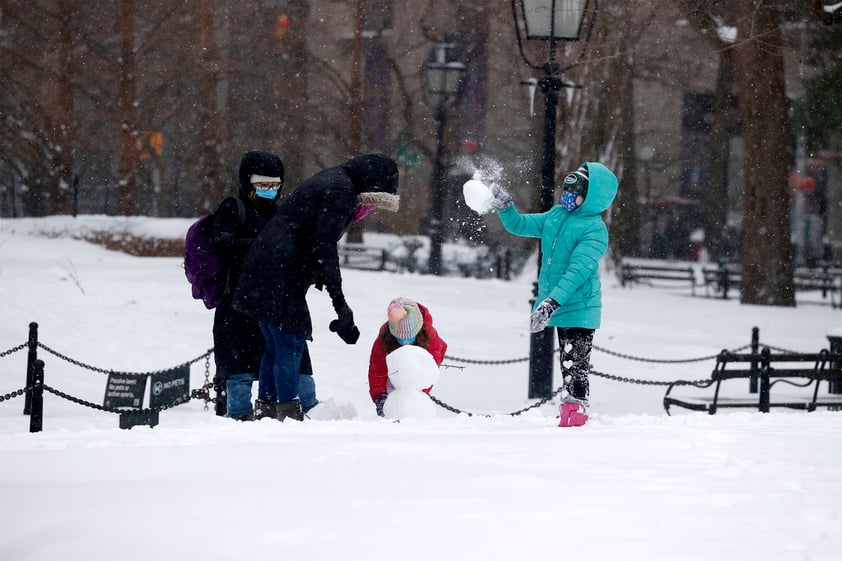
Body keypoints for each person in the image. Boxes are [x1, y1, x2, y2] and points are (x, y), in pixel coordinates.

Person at [233, 154, 401, 422]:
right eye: (373, 201)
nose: (369, 209)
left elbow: (308, 234)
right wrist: (340, 304)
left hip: (262, 269)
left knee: (274, 346)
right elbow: (324, 245)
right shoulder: (341, 191)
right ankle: (287, 413)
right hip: (281, 275)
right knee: (289, 344)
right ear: (372, 187)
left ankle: (267, 410)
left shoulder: (331, 178)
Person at [490, 162, 618, 427]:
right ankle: (570, 414)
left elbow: (576, 272)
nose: (567, 196)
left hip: (580, 306)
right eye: (566, 190)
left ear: (591, 198)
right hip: (559, 304)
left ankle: (576, 416)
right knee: (566, 361)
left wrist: (550, 303)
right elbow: (520, 224)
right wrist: (505, 206)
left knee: (575, 364)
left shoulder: (594, 229)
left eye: (575, 193)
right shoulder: (555, 216)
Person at [211, 150, 286, 421]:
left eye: (275, 185)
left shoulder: (280, 213)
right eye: (262, 184)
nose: (269, 190)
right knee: (238, 364)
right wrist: (260, 247)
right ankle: (238, 416)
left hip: (272, 301)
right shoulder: (234, 207)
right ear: (248, 182)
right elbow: (222, 244)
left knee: (275, 357)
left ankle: (272, 412)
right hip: (237, 302)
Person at [368, 297, 448, 417]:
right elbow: (377, 370)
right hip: (392, 378)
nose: (405, 342)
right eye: (400, 337)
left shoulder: (430, 337)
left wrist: (419, 391)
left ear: (418, 330)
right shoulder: (384, 338)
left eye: (410, 337)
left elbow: (429, 370)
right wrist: (380, 397)